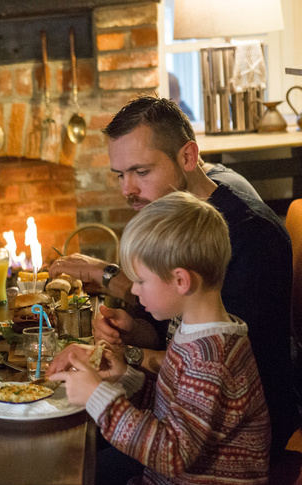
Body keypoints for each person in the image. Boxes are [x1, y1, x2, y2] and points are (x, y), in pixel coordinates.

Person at [50, 97, 300, 461]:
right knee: (64, 438)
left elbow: (227, 375)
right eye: (120, 175)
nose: (127, 190)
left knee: (70, 462)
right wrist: (130, 332)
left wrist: (130, 358)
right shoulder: (171, 221)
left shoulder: (251, 238)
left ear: (187, 156)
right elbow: (165, 329)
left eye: (141, 172)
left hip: (225, 446)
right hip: (175, 411)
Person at [31, 192, 271, 485]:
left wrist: (99, 396)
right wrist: (125, 377)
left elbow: (171, 453)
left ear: (180, 280)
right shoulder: (200, 332)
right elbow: (173, 410)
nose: (136, 293)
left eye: (142, 281)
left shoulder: (210, 358)